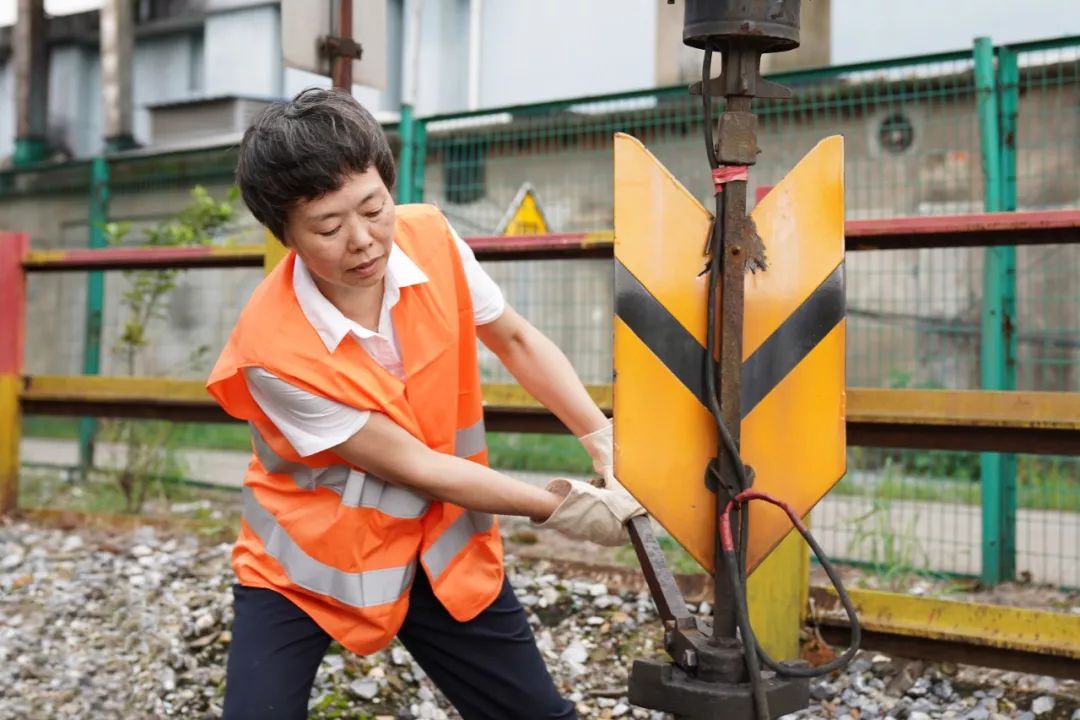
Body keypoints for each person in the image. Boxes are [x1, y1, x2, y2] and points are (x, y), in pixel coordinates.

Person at [206, 87, 645, 720]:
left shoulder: (429, 240)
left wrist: (598, 434)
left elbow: (516, 340)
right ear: (287, 234)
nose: (363, 240)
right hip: (308, 564)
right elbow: (414, 466)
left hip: (442, 545)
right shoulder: (271, 352)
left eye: (373, 208)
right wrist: (560, 508)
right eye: (329, 226)